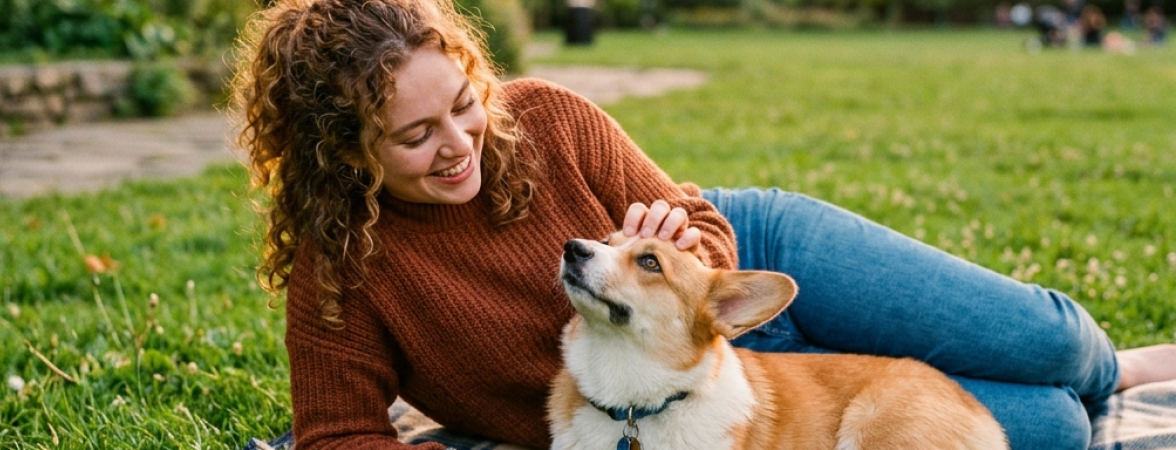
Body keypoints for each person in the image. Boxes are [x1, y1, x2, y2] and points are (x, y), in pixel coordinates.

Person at [230, 0, 1176, 449]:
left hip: (752, 269)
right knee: (1048, 431)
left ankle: (1119, 364)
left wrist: (689, 242)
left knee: (1053, 343)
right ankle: (1075, 391)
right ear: (340, 150)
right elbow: (335, 438)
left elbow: (694, 222)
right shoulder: (341, 266)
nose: (459, 146)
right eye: (413, 136)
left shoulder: (549, 117)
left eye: (464, 106)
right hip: (676, 406)